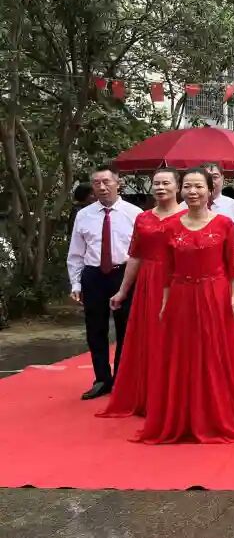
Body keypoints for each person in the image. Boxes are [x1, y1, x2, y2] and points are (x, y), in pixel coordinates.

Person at [136, 168, 234, 444]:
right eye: (188, 187)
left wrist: (232, 297)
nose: (193, 192)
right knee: (182, 354)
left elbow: (231, 266)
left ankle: (217, 414)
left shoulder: (224, 223)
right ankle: (182, 416)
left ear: (210, 190)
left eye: (199, 187)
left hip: (213, 293)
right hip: (181, 294)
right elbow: (168, 270)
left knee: (213, 353)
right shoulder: (171, 226)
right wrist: (165, 302)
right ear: (181, 190)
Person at [98, 168, 185, 418]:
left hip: (178, 281)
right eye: (156, 183)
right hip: (149, 282)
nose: (161, 187)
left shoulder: (188, 216)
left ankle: (177, 397)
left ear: (177, 187)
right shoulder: (143, 218)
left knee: (176, 338)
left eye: (166, 183)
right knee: (151, 338)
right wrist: (122, 291)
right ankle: (151, 396)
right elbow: (135, 256)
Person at [66, 165, 142, 400]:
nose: (102, 187)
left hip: (123, 274)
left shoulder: (135, 214)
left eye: (107, 182)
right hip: (94, 275)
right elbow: (76, 253)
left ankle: (121, 378)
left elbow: (142, 252)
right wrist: (76, 284)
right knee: (95, 329)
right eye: (97, 183)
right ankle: (101, 378)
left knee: (125, 329)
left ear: (118, 183)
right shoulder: (84, 215)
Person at [202, 162, 234, 279]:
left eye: (215, 177)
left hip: (227, 272)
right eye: (206, 177)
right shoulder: (184, 207)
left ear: (222, 178)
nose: (211, 182)